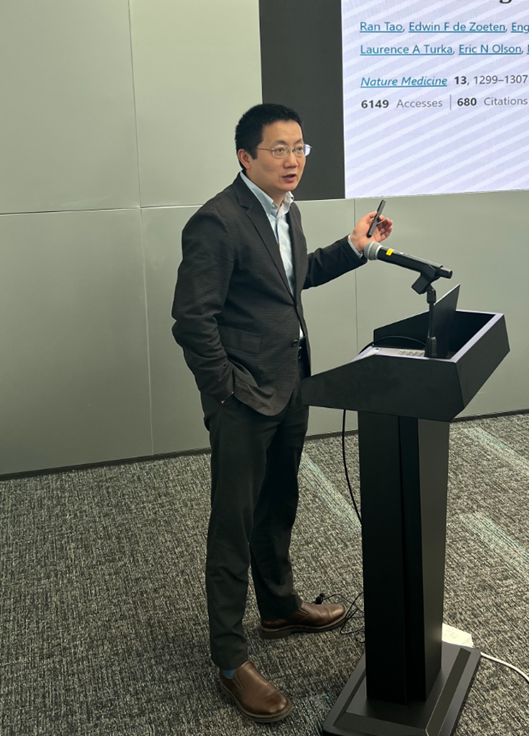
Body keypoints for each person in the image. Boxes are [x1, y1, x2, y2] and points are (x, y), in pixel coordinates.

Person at [171, 103, 392, 722]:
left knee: (279, 502)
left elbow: (292, 280)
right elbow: (192, 320)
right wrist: (226, 391)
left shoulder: (284, 210)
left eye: (300, 148)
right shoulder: (216, 222)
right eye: (279, 149)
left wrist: (355, 247)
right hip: (243, 397)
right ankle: (229, 658)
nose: (293, 160)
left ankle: (278, 606)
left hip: (290, 382)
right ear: (245, 157)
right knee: (233, 523)